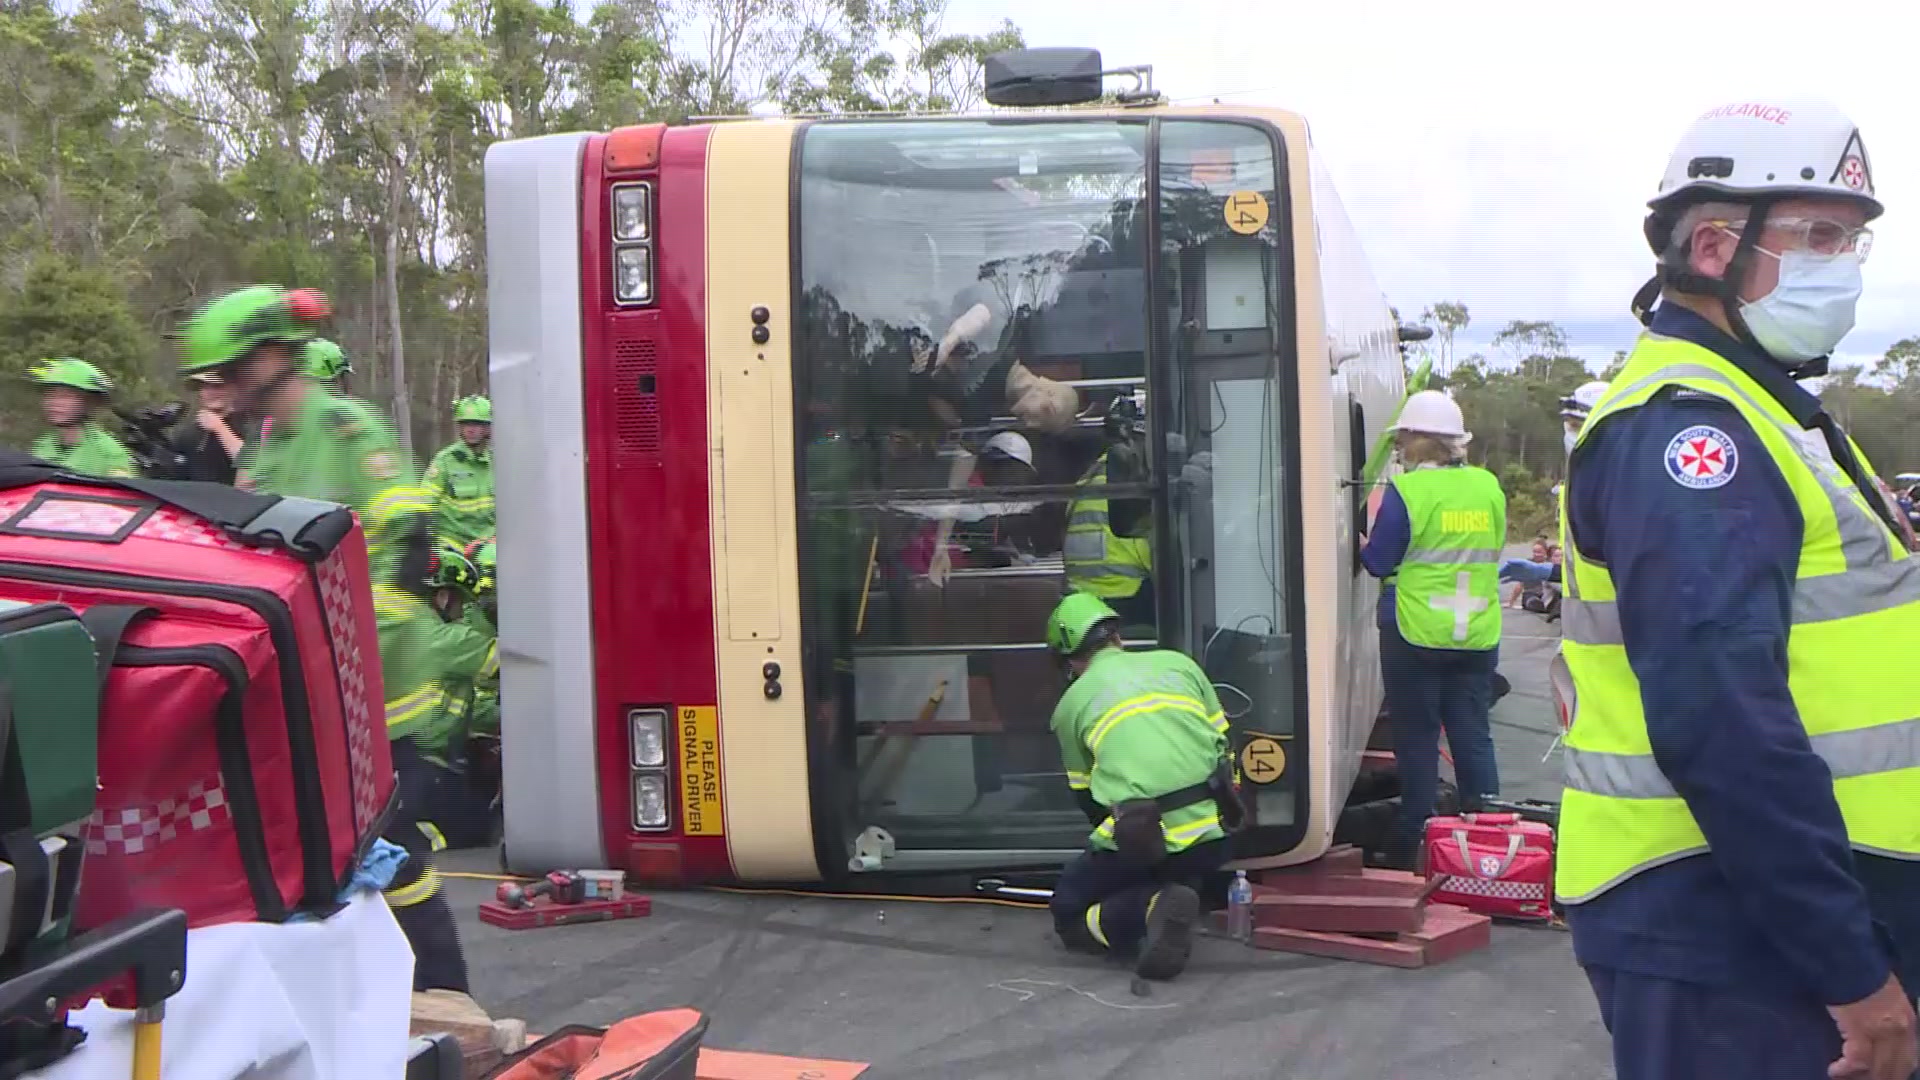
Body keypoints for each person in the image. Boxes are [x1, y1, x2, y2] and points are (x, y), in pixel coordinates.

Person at [1559, 99, 1919, 1080]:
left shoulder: (1771, 413)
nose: (1843, 265)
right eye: (1819, 237)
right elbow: (1720, 717)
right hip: (1723, 923)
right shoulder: (1689, 433)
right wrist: (1847, 968)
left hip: (1777, 907)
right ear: (1716, 246)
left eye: (1854, 241)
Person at [177, 284, 473, 994]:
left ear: (275, 355)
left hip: (377, 687)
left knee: (388, 847)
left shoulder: (346, 427)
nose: (226, 387)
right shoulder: (268, 445)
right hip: (305, 682)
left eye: (234, 370)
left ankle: (447, 991)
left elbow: (407, 542)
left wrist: (346, 633)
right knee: (323, 854)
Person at [1043, 593, 1237, 982]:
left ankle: (1152, 906)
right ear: (1118, 637)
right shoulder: (1180, 664)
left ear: (1069, 661)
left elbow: (1087, 797)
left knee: (1068, 908)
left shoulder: (1070, 706)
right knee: (1175, 862)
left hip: (1145, 837)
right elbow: (1224, 744)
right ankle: (1187, 885)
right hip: (1218, 832)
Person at [1357, 389, 1505, 869]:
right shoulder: (1488, 487)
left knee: (1418, 740)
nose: (1398, 449)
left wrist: (1358, 540)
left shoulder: (1408, 492)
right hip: (1476, 633)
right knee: (1472, 737)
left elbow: (1380, 561)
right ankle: (1490, 848)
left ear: (1420, 442)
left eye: (1402, 440)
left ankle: (1410, 848)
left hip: (1413, 632)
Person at [1063, 397, 1154, 628]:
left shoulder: (1089, 476)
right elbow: (1155, 553)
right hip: (1127, 599)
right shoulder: (1134, 477)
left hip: (1082, 603)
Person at [27, 359, 137, 478]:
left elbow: (124, 494)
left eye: (66, 396)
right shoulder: (42, 446)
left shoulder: (110, 453)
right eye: (50, 395)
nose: (55, 402)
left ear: (90, 402)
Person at [423, 396, 495, 550]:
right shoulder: (446, 460)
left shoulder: (501, 462)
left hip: (489, 542)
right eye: (465, 423)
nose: (470, 429)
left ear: (488, 427)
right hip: (452, 541)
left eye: (477, 424)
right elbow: (425, 503)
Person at [167, 371, 248, 484]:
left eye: (217, 386)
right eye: (204, 387)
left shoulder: (250, 423)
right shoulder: (188, 433)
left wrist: (219, 427)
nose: (210, 393)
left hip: (236, 498)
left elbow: (253, 464)